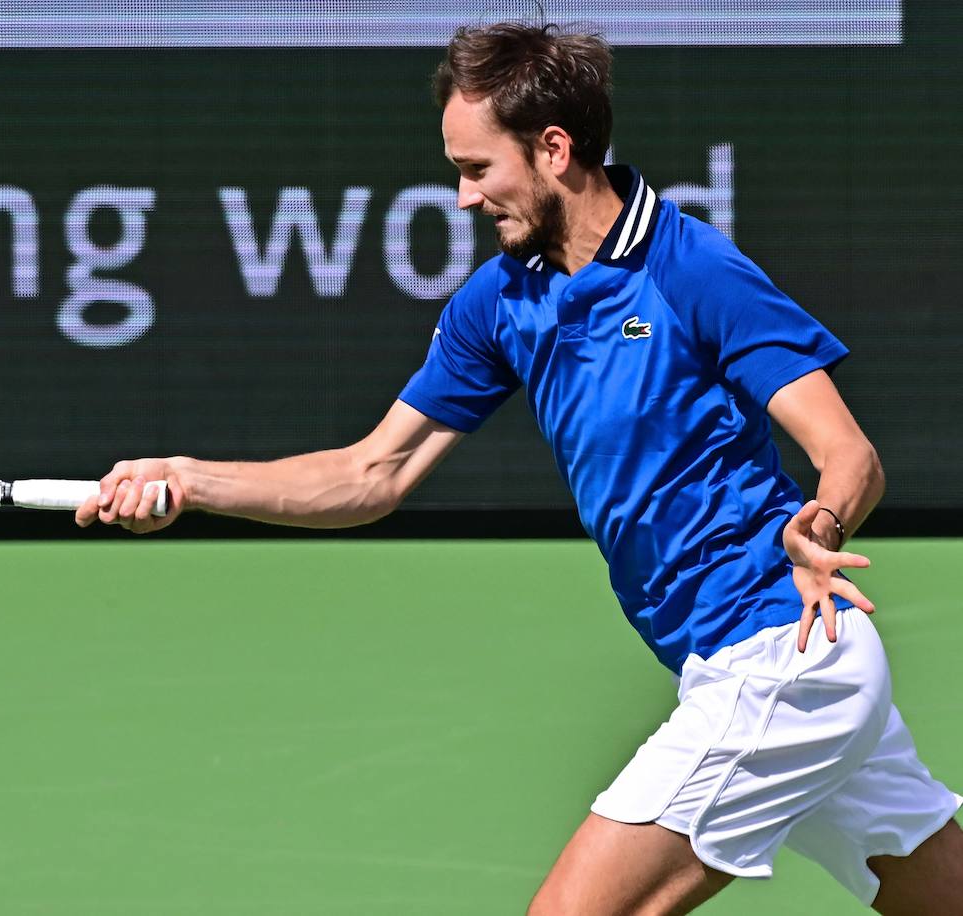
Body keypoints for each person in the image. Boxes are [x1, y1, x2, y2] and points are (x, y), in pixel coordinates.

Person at [74, 22, 963, 914]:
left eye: (475, 169)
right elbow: (373, 472)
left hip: (782, 657)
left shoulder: (692, 269)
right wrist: (190, 480)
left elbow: (848, 454)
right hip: (737, 662)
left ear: (553, 148)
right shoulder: (499, 303)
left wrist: (822, 523)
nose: (462, 199)